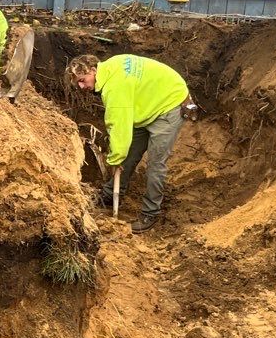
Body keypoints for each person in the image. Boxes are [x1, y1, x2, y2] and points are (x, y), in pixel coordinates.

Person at [68, 54, 193, 233]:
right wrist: (121, 155)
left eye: (82, 80)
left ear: (93, 70)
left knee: (155, 164)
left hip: (169, 105)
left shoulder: (114, 88)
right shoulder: (110, 68)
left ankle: (150, 212)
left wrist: (115, 158)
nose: (81, 86)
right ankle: (111, 193)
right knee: (130, 153)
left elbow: (119, 126)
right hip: (147, 106)